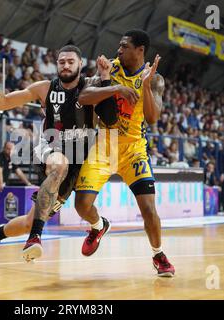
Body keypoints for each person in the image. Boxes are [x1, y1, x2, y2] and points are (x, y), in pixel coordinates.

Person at [0, 45, 132, 266]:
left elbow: (111, 118)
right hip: (52, 151)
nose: (65, 65)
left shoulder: (91, 88)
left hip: (81, 158)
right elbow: (3, 102)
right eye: (61, 62)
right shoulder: (44, 89)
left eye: (70, 62)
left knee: (34, 219)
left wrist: (106, 78)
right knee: (60, 165)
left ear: (79, 65)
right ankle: (35, 238)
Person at [74, 29, 175, 277]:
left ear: (140, 50)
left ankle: (158, 254)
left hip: (134, 149)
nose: (118, 50)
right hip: (105, 145)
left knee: (149, 210)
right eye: (119, 45)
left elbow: (152, 118)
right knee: (81, 205)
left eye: (124, 46)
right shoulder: (110, 67)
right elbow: (84, 97)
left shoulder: (155, 78)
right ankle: (98, 226)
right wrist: (115, 87)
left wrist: (148, 86)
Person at [0, 141, 32, 218]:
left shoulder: (12, 159)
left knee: (12, 195)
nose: (10, 151)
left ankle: (9, 217)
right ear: (4, 148)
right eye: (8, 149)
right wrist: (1, 184)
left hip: (1, 187)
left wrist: (28, 184)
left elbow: (19, 172)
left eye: (12, 149)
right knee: (3, 196)